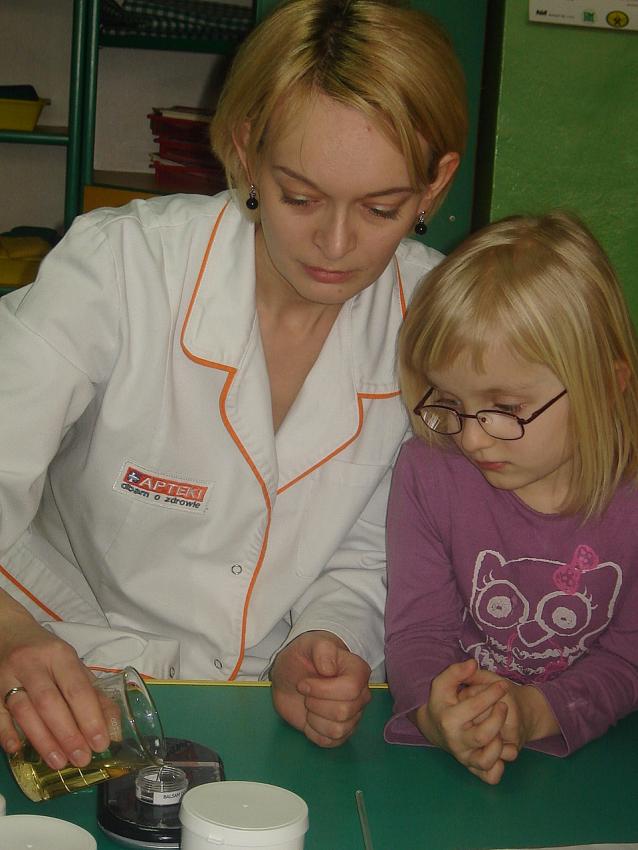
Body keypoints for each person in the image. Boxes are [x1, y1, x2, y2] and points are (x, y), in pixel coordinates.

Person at [0, 0, 467, 772]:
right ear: (248, 153)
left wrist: (326, 638)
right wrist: (10, 634)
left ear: (434, 185)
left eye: (381, 208)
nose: (336, 244)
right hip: (65, 658)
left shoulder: (442, 325)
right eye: (301, 197)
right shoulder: (123, 268)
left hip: (263, 711)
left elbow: (375, 547)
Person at [384, 210, 638, 785]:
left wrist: (533, 713)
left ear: (605, 386)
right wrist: (437, 713)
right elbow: (419, 633)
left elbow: (628, 660)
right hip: (449, 754)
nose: (472, 438)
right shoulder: (429, 472)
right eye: (452, 401)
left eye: (505, 408)